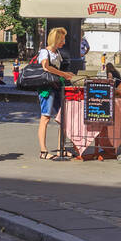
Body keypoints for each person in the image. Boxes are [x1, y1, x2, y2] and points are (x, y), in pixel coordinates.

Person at [37, 27, 76, 159]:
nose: (64, 42)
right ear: (56, 40)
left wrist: (67, 74)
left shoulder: (57, 53)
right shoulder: (44, 52)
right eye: (62, 39)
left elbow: (56, 70)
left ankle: (61, 148)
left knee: (62, 118)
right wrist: (63, 74)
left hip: (57, 86)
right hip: (46, 89)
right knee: (45, 117)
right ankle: (43, 151)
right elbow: (45, 67)